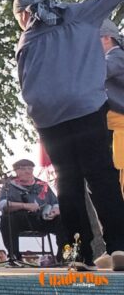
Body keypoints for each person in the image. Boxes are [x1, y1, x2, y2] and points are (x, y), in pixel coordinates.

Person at [12, 0, 124, 271]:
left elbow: (25, 83)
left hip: (49, 117)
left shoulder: (26, 39)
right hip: (86, 106)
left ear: (25, 13)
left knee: (67, 181)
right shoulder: (80, 14)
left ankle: (77, 253)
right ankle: (119, 246)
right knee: (101, 176)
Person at [0, 159, 66, 266]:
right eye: (23, 169)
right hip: (21, 219)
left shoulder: (42, 185)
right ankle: (15, 257)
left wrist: (55, 210)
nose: (27, 171)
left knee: (63, 219)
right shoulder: (10, 186)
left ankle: (62, 256)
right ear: (16, 171)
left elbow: (55, 203)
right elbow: (1, 205)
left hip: (42, 218)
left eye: (30, 169)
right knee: (6, 219)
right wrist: (25, 205)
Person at [99, 18, 124, 270]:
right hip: (111, 130)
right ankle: (114, 247)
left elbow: (96, 74)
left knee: (121, 187)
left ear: (107, 38)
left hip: (121, 128)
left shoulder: (115, 57)